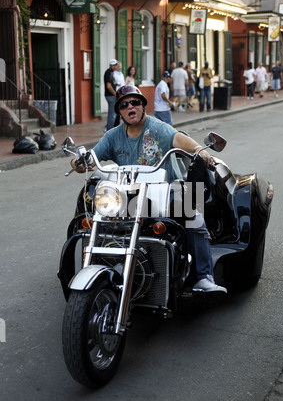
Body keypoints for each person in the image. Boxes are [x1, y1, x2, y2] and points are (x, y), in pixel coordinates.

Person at [71, 85, 227, 296]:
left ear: (143, 105)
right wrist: (80, 162)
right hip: (131, 193)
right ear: (120, 111)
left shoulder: (157, 128)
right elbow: (92, 157)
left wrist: (200, 150)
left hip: (165, 191)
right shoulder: (113, 136)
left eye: (135, 102)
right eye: (124, 105)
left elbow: (179, 139)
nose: (130, 107)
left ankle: (204, 277)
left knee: (194, 214)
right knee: (95, 216)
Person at [104, 59, 118, 131]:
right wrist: (115, 94)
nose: (115, 66)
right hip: (110, 95)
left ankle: (109, 127)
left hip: (111, 95)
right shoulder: (108, 73)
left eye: (115, 65)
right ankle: (109, 129)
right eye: (114, 65)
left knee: (112, 113)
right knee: (112, 114)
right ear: (111, 65)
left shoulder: (111, 72)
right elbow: (108, 86)